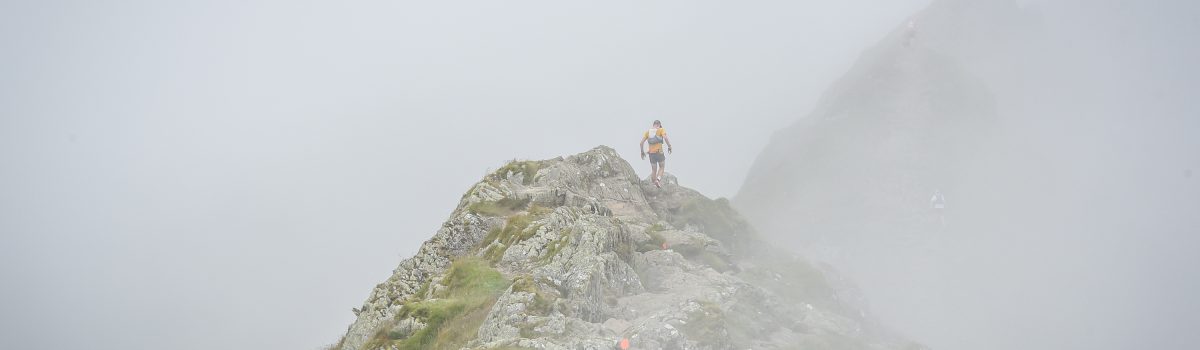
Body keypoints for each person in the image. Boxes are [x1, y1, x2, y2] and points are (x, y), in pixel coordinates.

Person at [639, 120, 673, 187]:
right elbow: (665, 137)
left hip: (651, 154)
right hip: (659, 152)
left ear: (653, 124)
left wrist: (642, 152)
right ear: (659, 125)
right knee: (662, 167)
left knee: (653, 170)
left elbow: (641, 143)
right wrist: (669, 146)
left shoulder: (648, 132)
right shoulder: (661, 130)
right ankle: (658, 180)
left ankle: (654, 184)